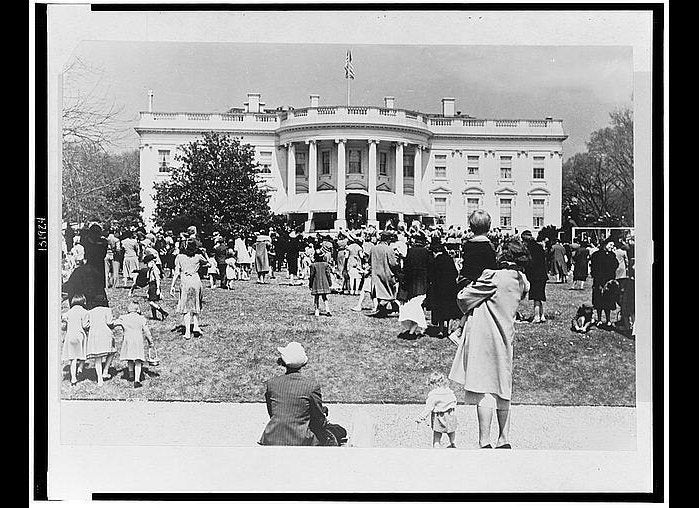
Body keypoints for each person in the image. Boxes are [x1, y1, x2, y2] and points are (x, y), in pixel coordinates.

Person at [449, 237, 530, 449]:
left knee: (484, 388)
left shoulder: (492, 276)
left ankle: (484, 440)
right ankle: (504, 437)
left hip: (484, 335)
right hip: (506, 335)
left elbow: (464, 298)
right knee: (503, 386)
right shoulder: (520, 280)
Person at [258, 342, 330, 446]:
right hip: (300, 440)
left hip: (272, 438)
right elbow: (318, 419)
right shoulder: (311, 386)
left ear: (283, 362)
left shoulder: (272, 384)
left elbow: (272, 412)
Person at [170, 239, 210, 340]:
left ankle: (187, 332)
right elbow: (209, 264)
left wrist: (172, 285)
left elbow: (176, 272)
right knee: (196, 304)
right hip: (196, 280)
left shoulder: (179, 257)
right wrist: (205, 254)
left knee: (185, 307)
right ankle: (195, 326)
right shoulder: (198, 257)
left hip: (185, 281)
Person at [397, 233, 431, 340]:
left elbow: (406, 267)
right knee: (417, 306)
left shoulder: (410, 251)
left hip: (411, 282)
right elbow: (430, 268)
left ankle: (412, 329)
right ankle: (414, 330)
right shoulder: (427, 252)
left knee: (412, 306)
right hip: (422, 282)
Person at [427, 238, 462, 339]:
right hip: (450, 287)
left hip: (438, 288)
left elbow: (431, 275)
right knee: (449, 308)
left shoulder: (435, 261)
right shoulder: (449, 259)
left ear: (435, 251)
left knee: (440, 309)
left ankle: (441, 330)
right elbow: (455, 273)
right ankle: (449, 329)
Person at [114, 301, 154, 389]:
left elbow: (113, 323)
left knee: (130, 358)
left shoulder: (124, 318)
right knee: (138, 360)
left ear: (129, 309)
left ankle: (131, 375)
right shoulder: (141, 318)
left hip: (127, 340)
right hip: (137, 341)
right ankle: (137, 380)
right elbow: (147, 332)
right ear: (138, 309)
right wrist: (151, 342)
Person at [415, 371, 458, 448]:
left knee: (437, 433)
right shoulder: (449, 392)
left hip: (439, 416)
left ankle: (436, 445)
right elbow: (454, 401)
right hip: (450, 414)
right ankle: (453, 442)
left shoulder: (433, 395)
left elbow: (428, 408)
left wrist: (421, 417)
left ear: (434, 384)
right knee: (451, 431)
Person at [459, 210, 497, 289]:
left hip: (468, 282)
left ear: (471, 227)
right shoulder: (490, 246)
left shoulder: (467, 245)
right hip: (486, 283)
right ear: (489, 226)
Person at [84, 294, 117, 386]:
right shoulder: (107, 310)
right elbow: (110, 323)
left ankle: (99, 379)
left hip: (94, 335)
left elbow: (87, 325)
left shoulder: (90, 312)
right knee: (112, 351)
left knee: (97, 357)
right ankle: (105, 371)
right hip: (105, 333)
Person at [369, 230, 400, 317]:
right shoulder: (389, 249)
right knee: (389, 293)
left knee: (379, 292)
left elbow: (369, 261)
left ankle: (382, 310)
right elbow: (393, 263)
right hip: (387, 274)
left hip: (375, 274)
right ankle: (383, 306)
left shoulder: (373, 248)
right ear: (388, 240)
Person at [61, 294, 90, 386]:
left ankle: (73, 379)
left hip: (70, 336)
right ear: (83, 302)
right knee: (83, 353)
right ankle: (80, 367)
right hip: (80, 335)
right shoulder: (85, 312)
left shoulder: (68, 312)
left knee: (72, 359)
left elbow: (63, 327)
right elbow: (85, 325)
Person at [590, 239, 619, 328]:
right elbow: (593, 268)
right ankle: (599, 319)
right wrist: (598, 281)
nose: (612, 246)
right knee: (599, 302)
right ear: (605, 244)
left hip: (609, 281)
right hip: (599, 281)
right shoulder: (596, 255)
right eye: (610, 244)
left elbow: (615, 265)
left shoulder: (612, 255)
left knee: (608, 301)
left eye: (613, 245)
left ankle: (608, 320)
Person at [521, 230, 548, 323]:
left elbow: (529, 263)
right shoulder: (539, 247)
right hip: (542, 274)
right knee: (540, 296)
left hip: (534, 275)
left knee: (535, 296)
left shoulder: (528, 249)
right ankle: (542, 315)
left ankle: (536, 317)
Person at [145, 253, 169, 321]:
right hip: (151, 285)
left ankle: (163, 312)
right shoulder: (150, 270)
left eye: (147, 263)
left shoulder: (155, 269)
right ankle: (154, 316)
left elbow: (158, 280)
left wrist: (158, 289)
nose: (147, 265)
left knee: (151, 302)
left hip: (154, 286)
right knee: (152, 303)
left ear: (152, 262)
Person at [309, 250, 333, 317]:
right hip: (324, 282)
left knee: (316, 297)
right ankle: (327, 310)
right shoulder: (326, 265)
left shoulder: (313, 265)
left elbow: (311, 275)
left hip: (316, 283)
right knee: (325, 297)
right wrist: (330, 282)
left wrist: (310, 284)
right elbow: (328, 274)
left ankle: (317, 311)